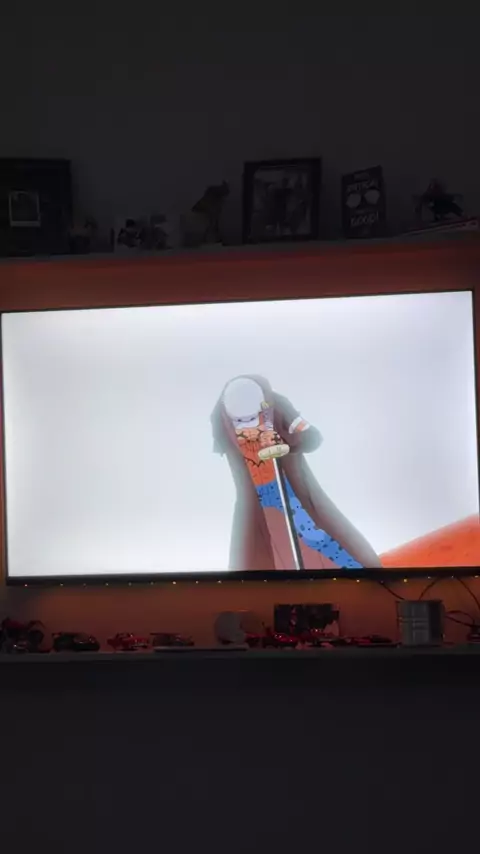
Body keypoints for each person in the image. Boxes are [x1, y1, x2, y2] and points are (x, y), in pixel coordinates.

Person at [211, 375, 381, 571]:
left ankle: (356, 570)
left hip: (285, 488)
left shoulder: (278, 407)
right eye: (240, 422)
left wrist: (287, 441)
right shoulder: (221, 420)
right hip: (255, 497)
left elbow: (312, 437)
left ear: (263, 406)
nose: (249, 427)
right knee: (255, 548)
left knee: (310, 533)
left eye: (253, 418)